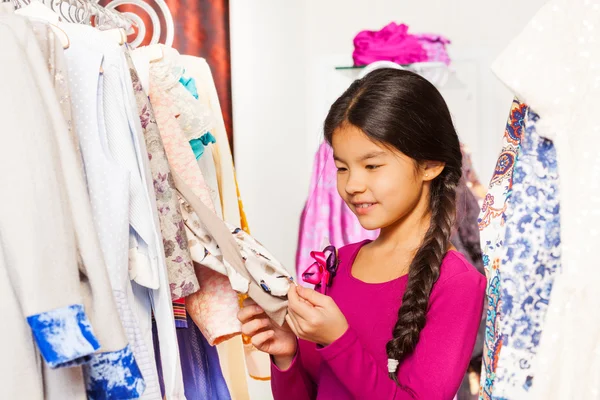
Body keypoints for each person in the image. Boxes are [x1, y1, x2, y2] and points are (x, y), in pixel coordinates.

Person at [238, 68, 486, 399]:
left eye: (372, 166)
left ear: (430, 164)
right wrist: (287, 355)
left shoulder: (457, 281)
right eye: (342, 168)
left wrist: (339, 341)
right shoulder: (338, 263)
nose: (352, 185)